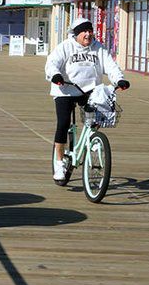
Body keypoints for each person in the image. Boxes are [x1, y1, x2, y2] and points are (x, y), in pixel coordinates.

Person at [44, 17, 130, 184]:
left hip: (90, 90)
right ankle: (59, 162)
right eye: (84, 31)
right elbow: (52, 63)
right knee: (62, 124)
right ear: (76, 34)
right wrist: (56, 76)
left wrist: (119, 79)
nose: (88, 34)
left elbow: (111, 66)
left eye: (90, 31)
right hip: (66, 90)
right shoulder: (65, 47)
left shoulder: (98, 48)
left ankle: (92, 139)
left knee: (100, 116)